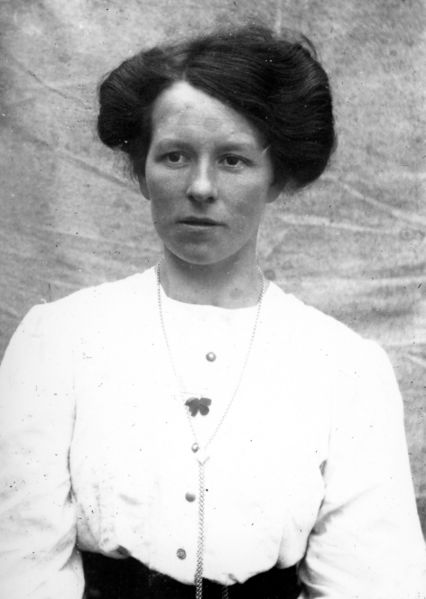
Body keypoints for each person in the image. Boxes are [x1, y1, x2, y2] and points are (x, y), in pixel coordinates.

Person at [0, 23, 425, 599]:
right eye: (174, 156)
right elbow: (21, 565)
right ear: (142, 172)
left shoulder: (345, 367)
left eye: (233, 160)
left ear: (276, 178)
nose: (200, 186)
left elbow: (371, 581)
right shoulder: (58, 341)